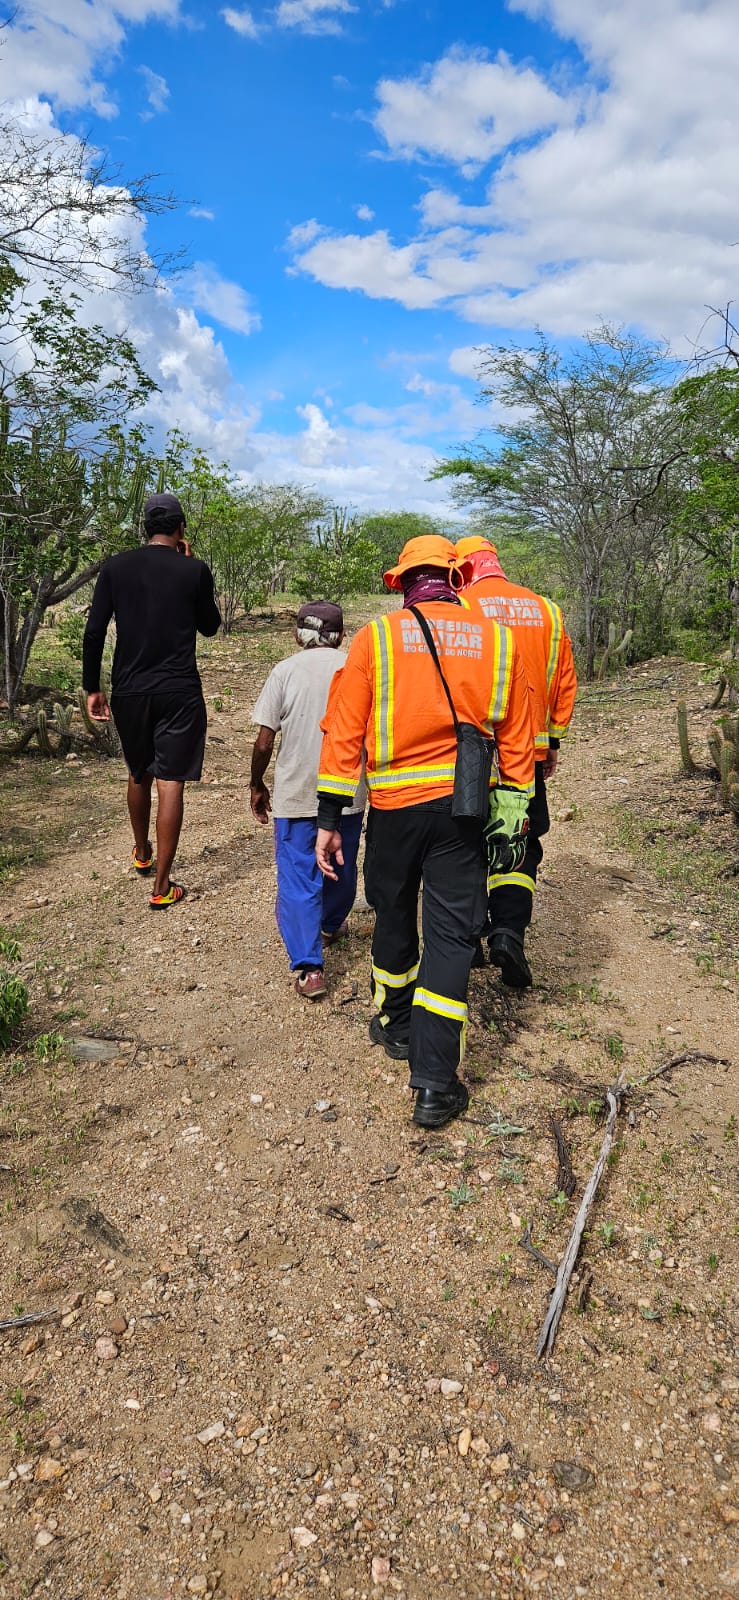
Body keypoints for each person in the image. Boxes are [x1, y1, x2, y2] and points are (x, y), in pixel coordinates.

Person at [314, 535, 534, 1130]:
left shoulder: (377, 639)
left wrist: (330, 820)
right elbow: (518, 733)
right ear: (457, 577)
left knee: (390, 910)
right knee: (450, 938)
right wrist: (513, 809)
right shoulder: (497, 640)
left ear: (402, 583)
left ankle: (393, 1023)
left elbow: (342, 733)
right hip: (464, 813)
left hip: (392, 809)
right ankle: (436, 1084)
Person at [82, 491, 221, 908]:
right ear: (180, 528)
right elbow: (210, 626)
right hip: (179, 690)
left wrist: (93, 687)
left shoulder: (115, 567)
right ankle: (162, 886)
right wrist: (192, 568)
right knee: (171, 781)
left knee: (138, 771)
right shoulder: (193, 569)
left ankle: (142, 852)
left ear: (145, 528)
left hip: (129, 689)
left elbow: (93, 631)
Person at [457, 535, 577, 987]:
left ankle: (468, 938)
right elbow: (564, 681)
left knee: (467, 841)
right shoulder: (546, 610)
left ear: (464, 567)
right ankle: (508, 933)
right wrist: (553, 743)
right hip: (526, 754)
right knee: (517, 842)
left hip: (473, 757)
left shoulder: (459, 608)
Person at [250, 600, 365, 1001]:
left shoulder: (284, 671)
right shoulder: (356, 667)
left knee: (299, 876)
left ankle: (309, 968)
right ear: (342, 635)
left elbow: (265, 739)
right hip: (348, 791)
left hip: (297, 793)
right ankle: (331, 925)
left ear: (298, 634)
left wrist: (256, 783)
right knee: (340, 863)